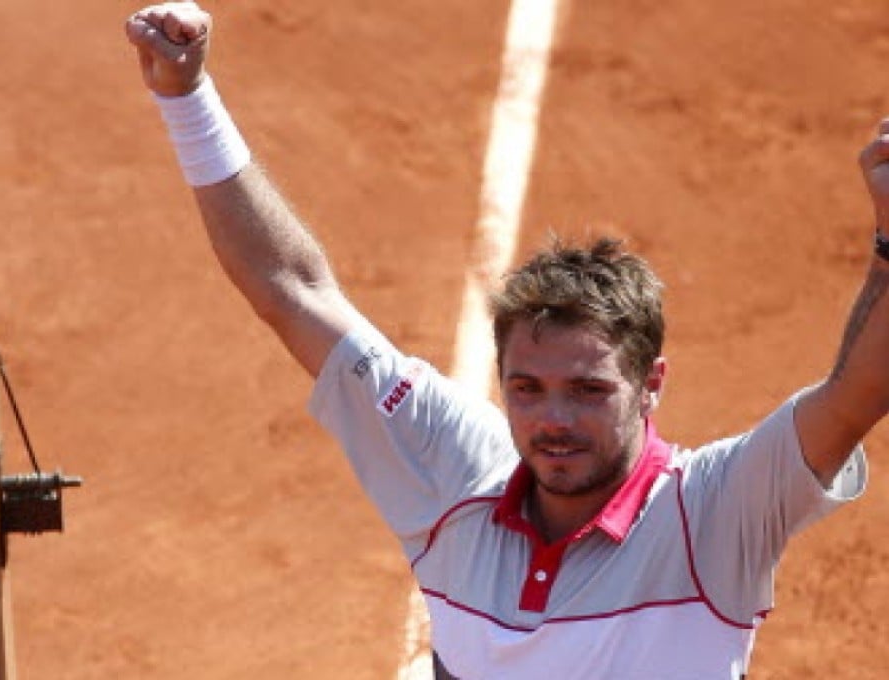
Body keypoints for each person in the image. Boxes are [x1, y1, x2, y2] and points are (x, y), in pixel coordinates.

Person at [124, 3, 884, 678]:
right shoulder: (453, 472)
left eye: (589, 390)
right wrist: (188, 100)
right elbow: (292, 289)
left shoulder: (715, 515)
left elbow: (856, 393)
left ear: (652, 385)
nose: (552, 419)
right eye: (527, 388)